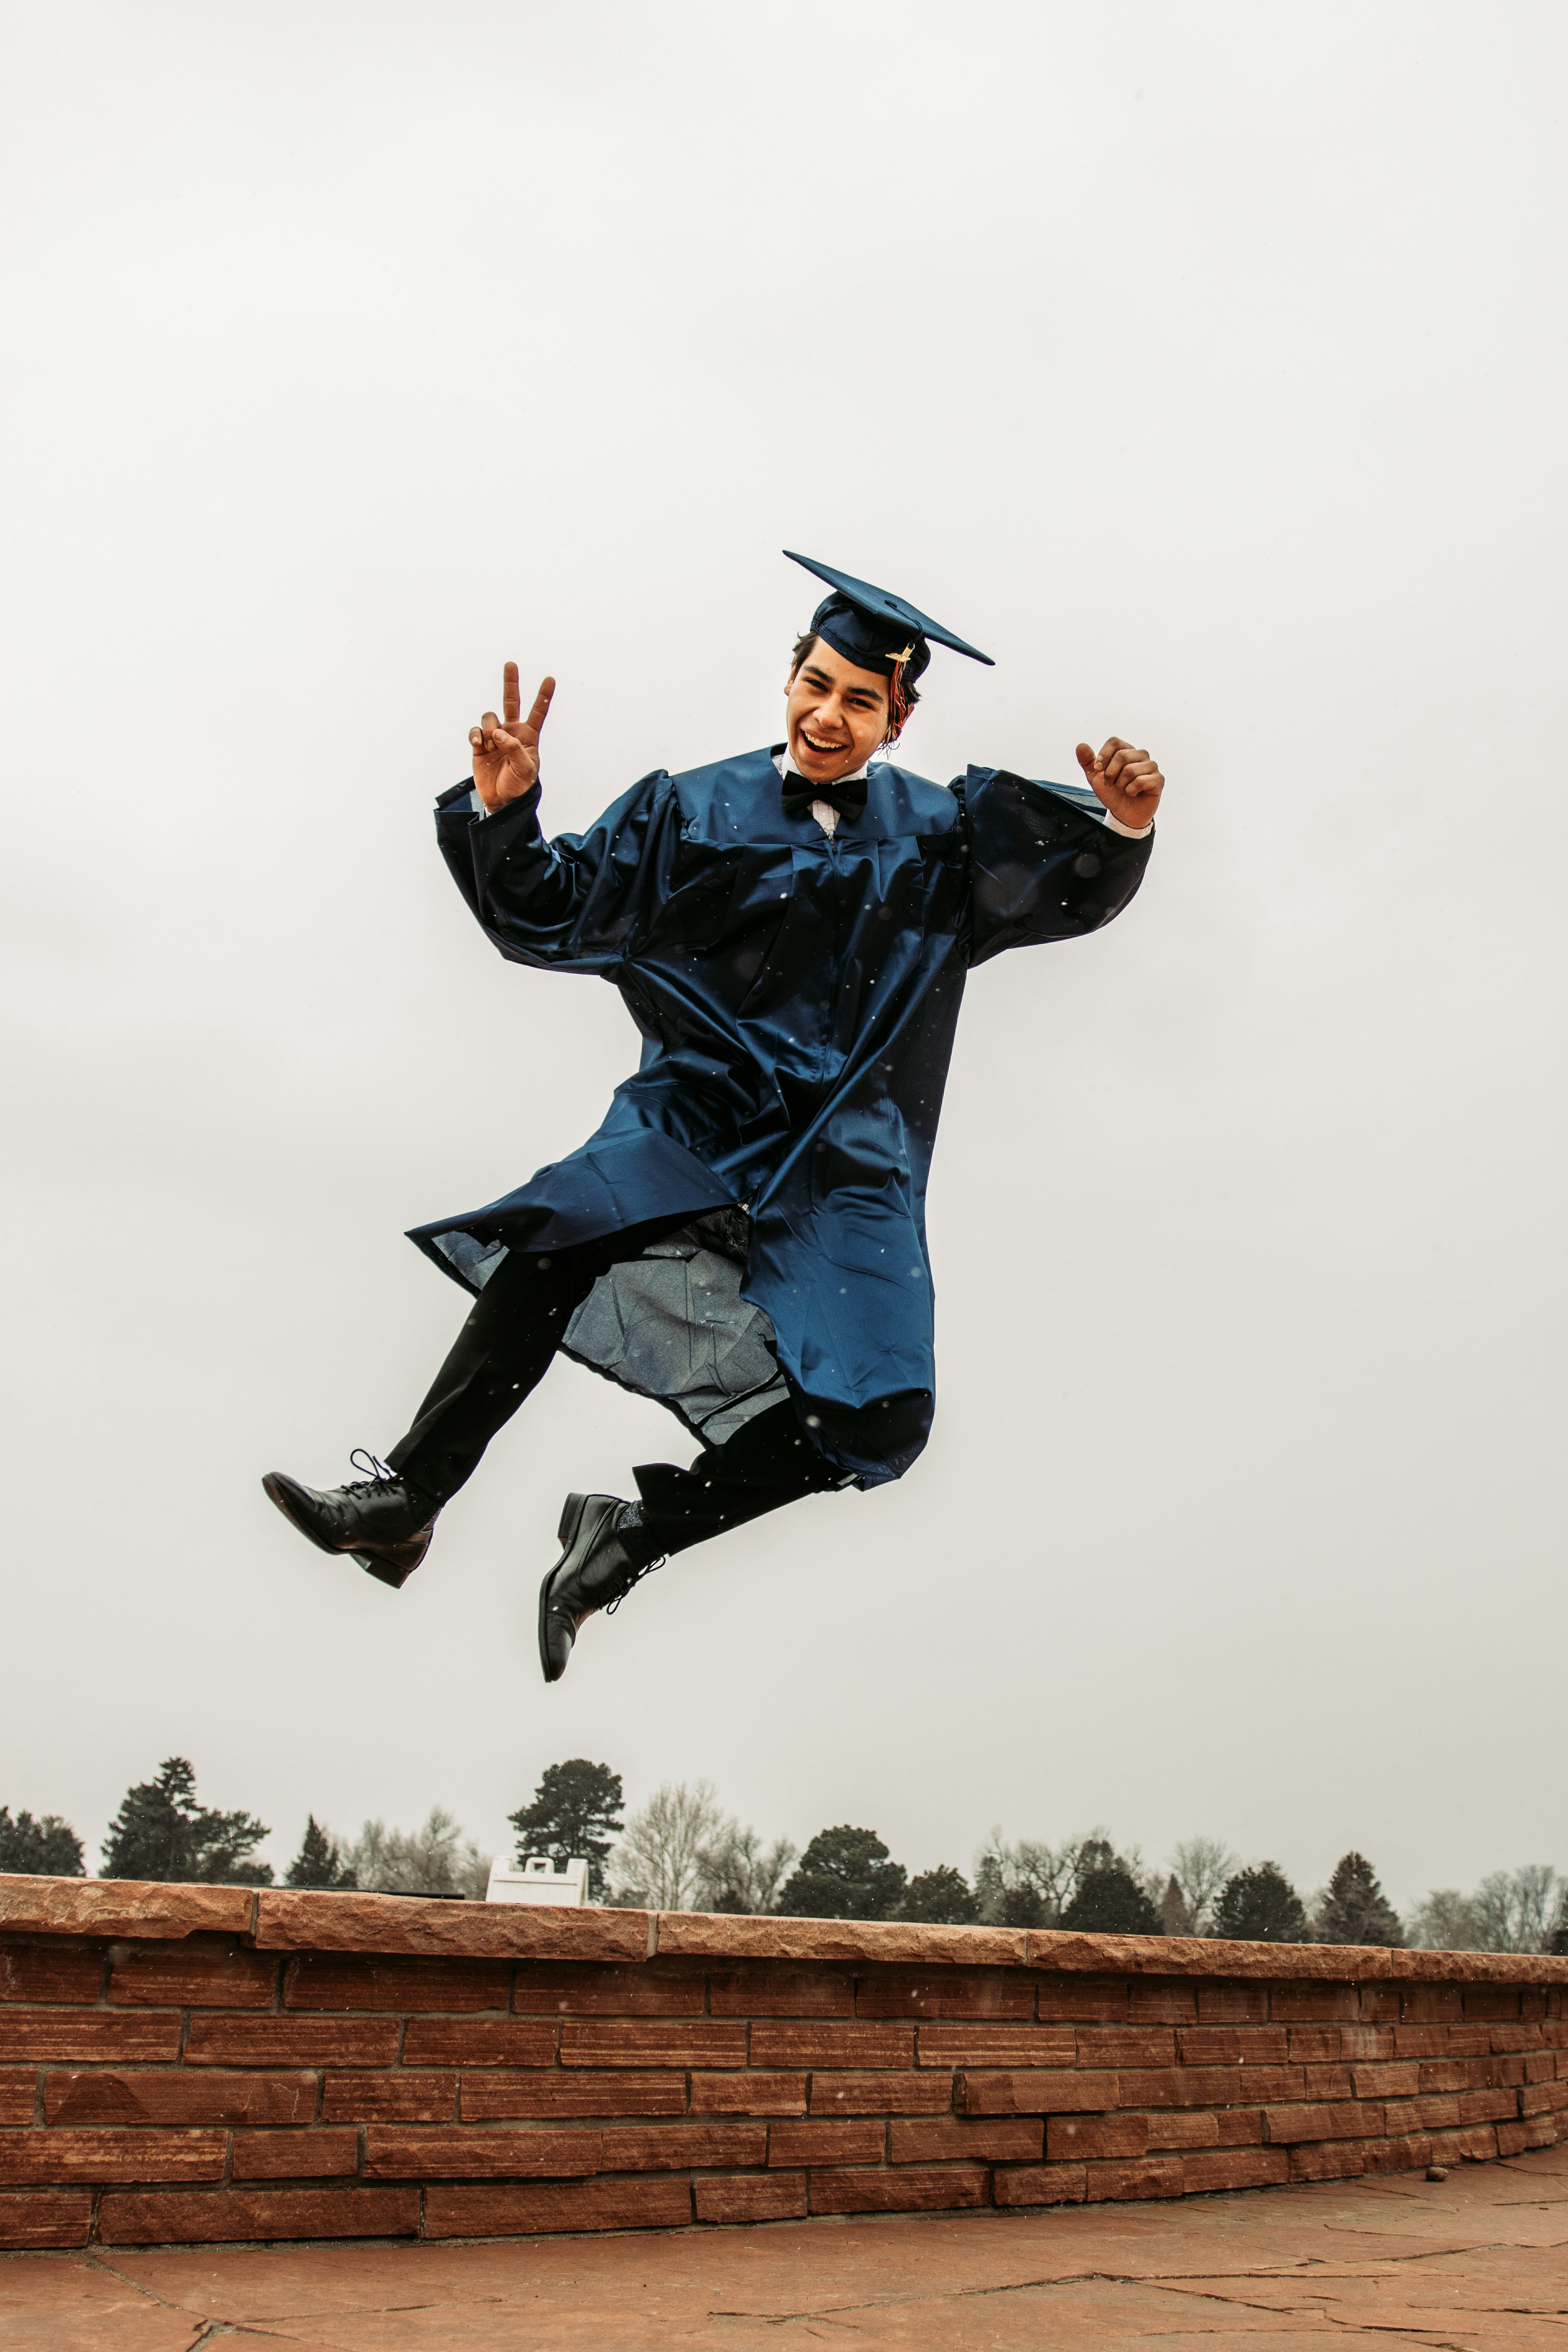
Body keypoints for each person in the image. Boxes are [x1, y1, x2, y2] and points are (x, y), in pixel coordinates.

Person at [263, 552, 1165, 1682]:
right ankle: (408, 1498)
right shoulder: (692, 812)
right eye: (816, 684)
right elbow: (546, 912)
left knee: (880, 1417)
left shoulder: (944, 834)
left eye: (860, 700)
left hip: (845, 1157)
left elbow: (1062, 884)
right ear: (790, 678)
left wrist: (1125, 828)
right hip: (702, 1111)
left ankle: (632, 1534)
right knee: (558, 1233)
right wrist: (506, 812)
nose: (828, 715)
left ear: (898, 718)